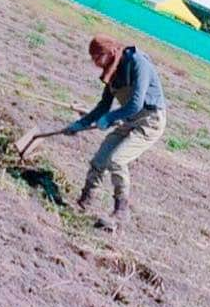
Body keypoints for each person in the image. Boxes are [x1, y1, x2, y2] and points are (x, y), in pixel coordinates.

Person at [64, 35, 167, 232]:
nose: (95, 63)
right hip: (130, 119)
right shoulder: (111, 71)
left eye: (97, 57)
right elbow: (103, 106)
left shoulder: (137, 63)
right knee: (100, 158)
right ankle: (85, 201)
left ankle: (121, 211)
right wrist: (80, 124)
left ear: (109, 53)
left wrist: (111, 118)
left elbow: (136, 103)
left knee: (117, 160)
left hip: (150, 120)